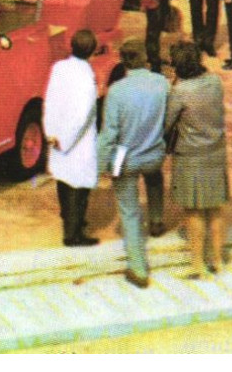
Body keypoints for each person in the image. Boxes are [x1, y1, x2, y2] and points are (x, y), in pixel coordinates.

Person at [95, 38, 169, 288]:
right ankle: (157, 219)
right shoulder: (162, 83)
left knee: (129, 210)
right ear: (145, 57)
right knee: (155, 177)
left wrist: (100, 166)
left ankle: (138, 268)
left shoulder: (116, 92)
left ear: (123, 61)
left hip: (125, 157)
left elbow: (108, 135)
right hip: (154, 153)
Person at [165, 40, 229, 278]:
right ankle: (217, 260)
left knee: (194, 211)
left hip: (191, 155)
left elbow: (167, 122)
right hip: (216, 150)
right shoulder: (215, 81)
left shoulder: (180, 92)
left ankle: (197, 264)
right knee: (214, 208)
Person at [42, 29, 100, 247]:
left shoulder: (59, 68)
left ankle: (69, 220)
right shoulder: (87, 76)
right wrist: (65, 139)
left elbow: (50, 100)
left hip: (57, 133)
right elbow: (82, 115)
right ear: (92, 51)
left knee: (63, 180)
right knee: (78, 186)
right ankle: (73, 235)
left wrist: (52, 133)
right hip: (77, 140)